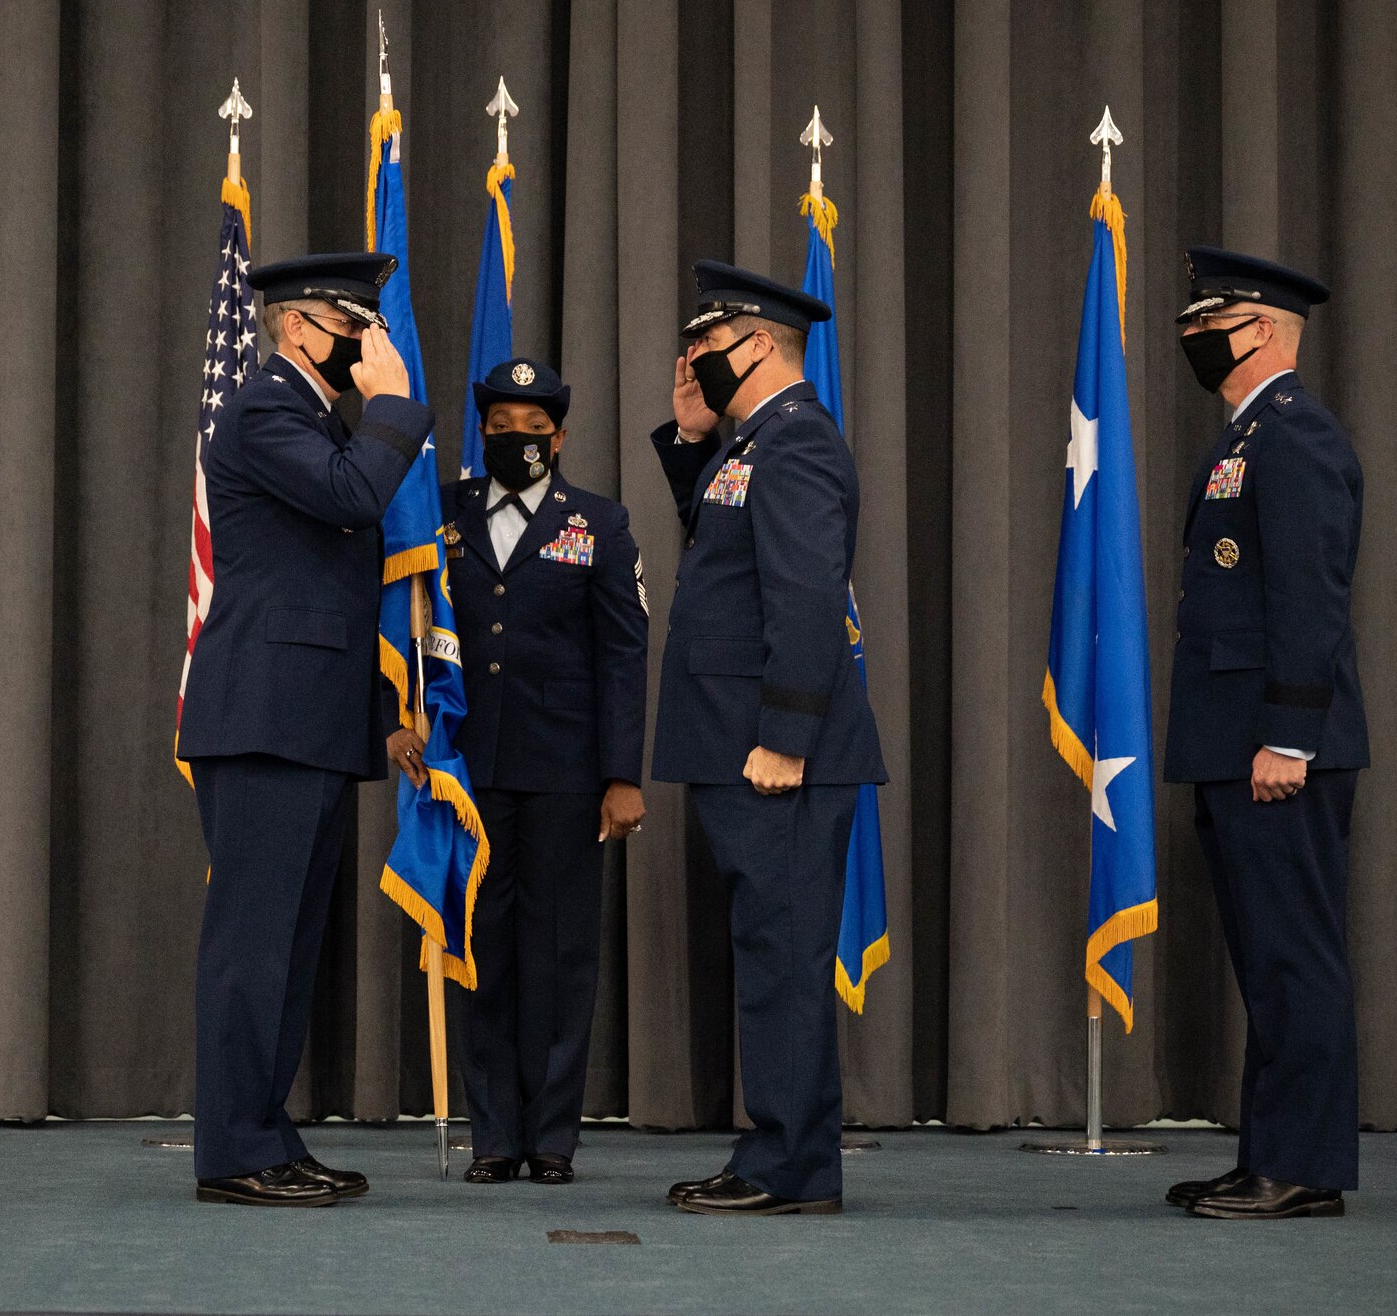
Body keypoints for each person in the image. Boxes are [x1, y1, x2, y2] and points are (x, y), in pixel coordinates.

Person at [176, 251, 434, 1207]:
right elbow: (351, 497)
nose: (369, 339)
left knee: (287, 947)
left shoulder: (317, 418)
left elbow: (332, 586)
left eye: (372, 323)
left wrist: (377, 717)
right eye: (351, 321)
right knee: (252, 943)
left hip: (312, 721)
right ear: (295, 327)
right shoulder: (264, 408)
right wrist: (396, 403)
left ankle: (264, 1131)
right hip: (263, 718)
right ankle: (234, 1151)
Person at [649, 261, 886, 1216]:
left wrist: (786, 735)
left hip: (776, 752)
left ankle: (790, 1167)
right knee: (768, 951)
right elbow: (721, 550)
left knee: (784, 959)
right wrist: (690, 441)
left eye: (706, 344)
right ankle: (777, 1153)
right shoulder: (753, 444)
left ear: (757, 346)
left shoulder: (799, 446)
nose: (691, 357)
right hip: (736, 743)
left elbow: (804, 597)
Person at [1162, 245, 1369, 1220]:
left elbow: (1307, 599)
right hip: (1229, 738)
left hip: (1276, 745)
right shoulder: (1242, 438)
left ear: (1263, 331)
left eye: (1212, 320)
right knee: (1267, 962)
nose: (1194, 334)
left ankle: (1304, 1166)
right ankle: (1268, 1156)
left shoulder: (1294, 437)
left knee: (1295, 957)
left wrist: (1288, 735)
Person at [417, 358, 650, 1187]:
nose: (518, 439)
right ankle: (493, 1135)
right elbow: (405, 626)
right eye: (501, 426)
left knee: (558, 953)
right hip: (468, 770)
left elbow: (624, 653)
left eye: (534, 427)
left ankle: (551, 1134)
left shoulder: (600, 522)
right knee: (482, 950)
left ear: (560, 434)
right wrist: (402, 722)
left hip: (565, 771)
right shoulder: (441, 514)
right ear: (482, 431)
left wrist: (623, 774)